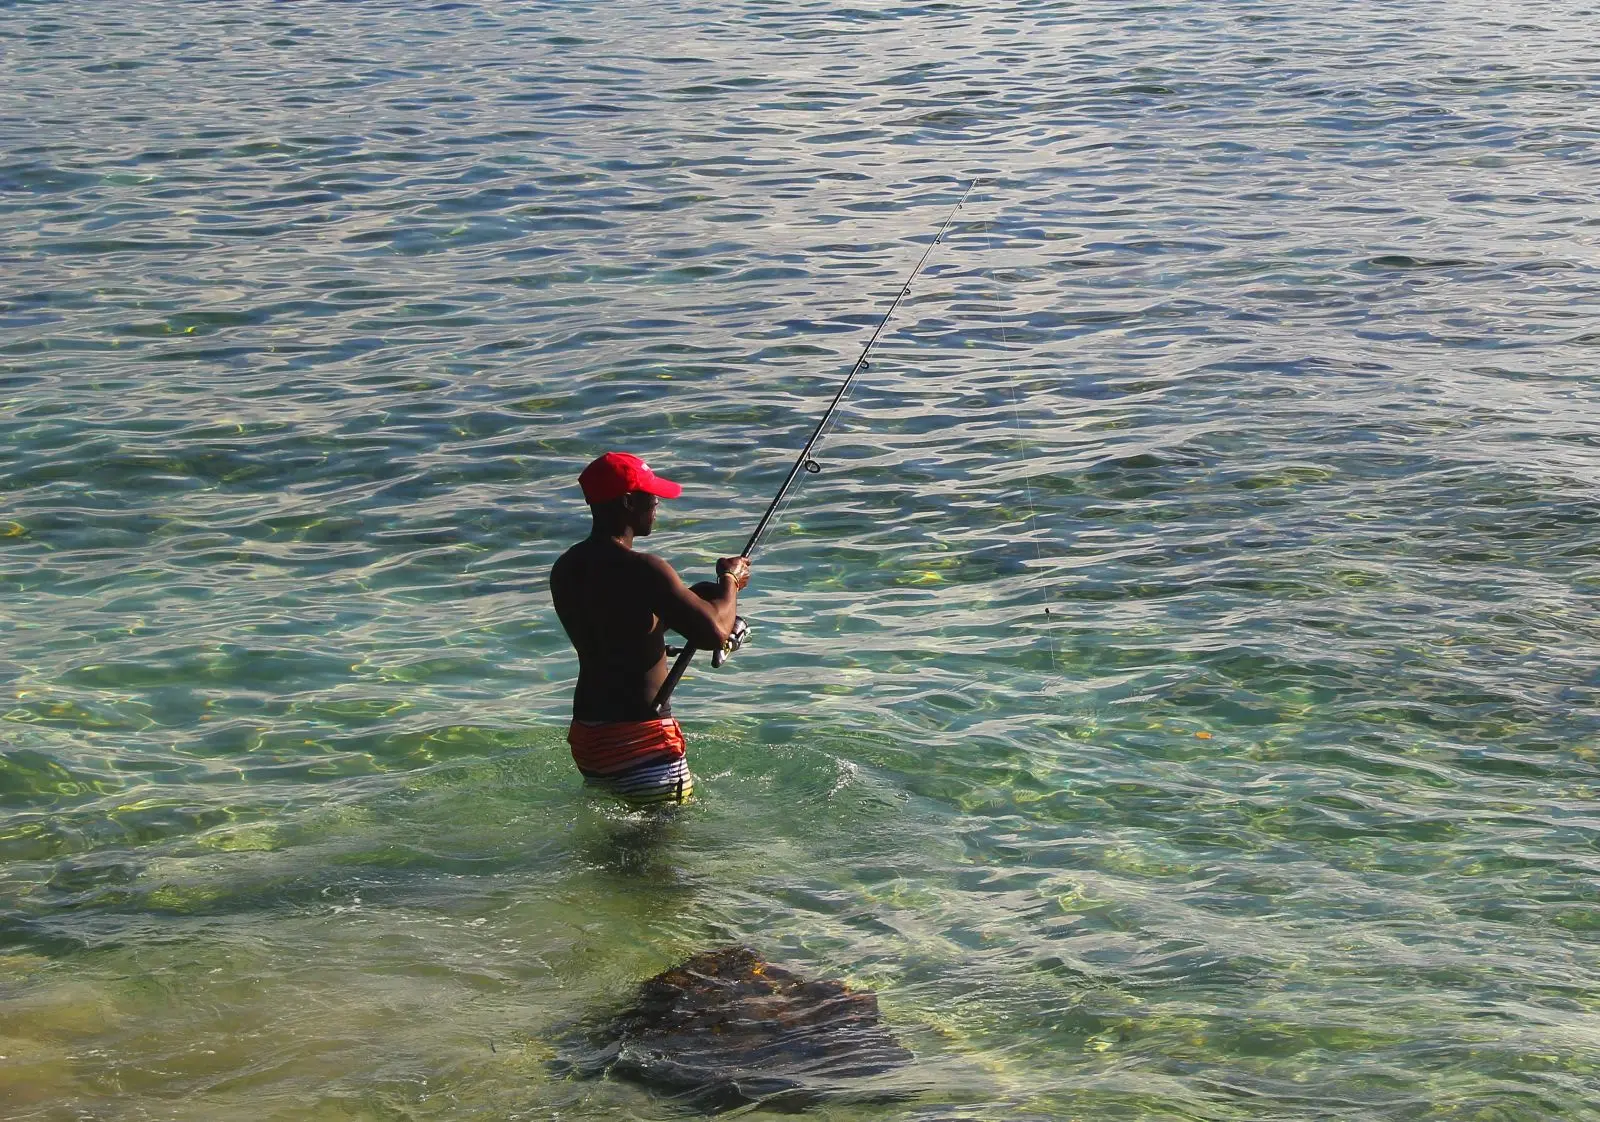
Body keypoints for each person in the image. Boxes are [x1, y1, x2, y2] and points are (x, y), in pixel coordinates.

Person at [550, 452, 750, 805]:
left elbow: (621, 629)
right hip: (641, 740)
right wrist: (730, 580)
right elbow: (715, 634)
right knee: (659, 856)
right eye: (651, 497)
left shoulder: (567, 567)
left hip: (589, 738)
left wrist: (691, 601)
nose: (657, 504)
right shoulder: (644, 568)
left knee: (616, 852)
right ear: (628, 502)